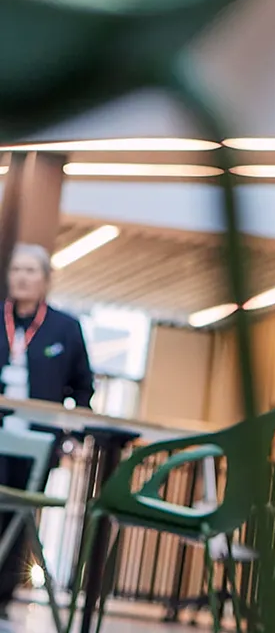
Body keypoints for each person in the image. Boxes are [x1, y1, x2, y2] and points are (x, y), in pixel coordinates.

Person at [0, 244, 93, 607]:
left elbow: (83, 388)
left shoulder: (65, 328)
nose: (22, 277)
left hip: (38, 441)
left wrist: (72, 436)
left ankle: (3, 595)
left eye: (30, 271)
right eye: (16, 270)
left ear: (46, 279)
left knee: (20, 516)